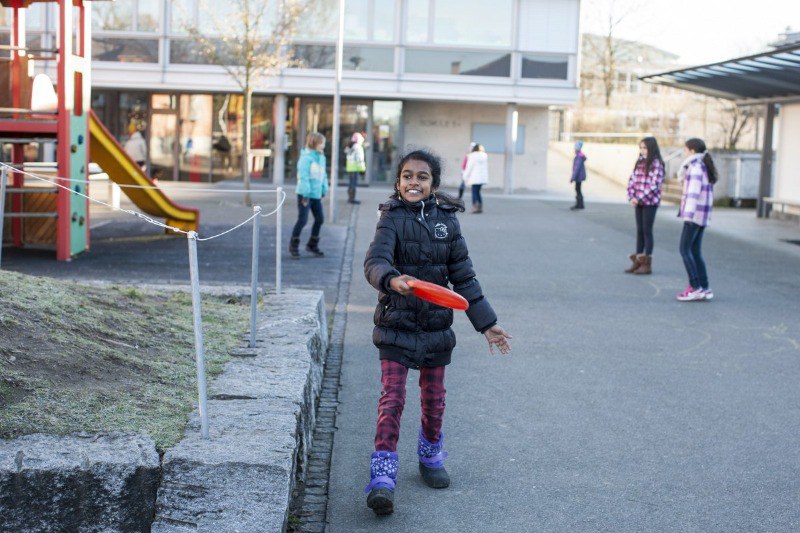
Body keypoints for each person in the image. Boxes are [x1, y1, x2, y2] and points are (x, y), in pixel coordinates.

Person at [363, 149, 513, 515]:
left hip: (435, 327)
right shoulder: (391, 218)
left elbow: (464, 277)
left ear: (434, 183)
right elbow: (375, 261)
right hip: (396, 324)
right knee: (392, 400)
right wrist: (391, 278)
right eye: (407, 176)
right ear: (398, 182)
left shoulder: (448, 221)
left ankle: (430, 456)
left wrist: (488, 324)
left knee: (434, 401)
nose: (414, 182)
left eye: (422, 177)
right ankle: (382, 476)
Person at [676, 137, 717, 301]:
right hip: (703, 215)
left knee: (684, 250)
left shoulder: (695, 167)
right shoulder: (705, 166)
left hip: (694, 215)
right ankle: (705, 287)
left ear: (692, 151)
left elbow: (693, 193)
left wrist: (688, 215)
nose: (684, 152)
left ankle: (695, 287)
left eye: (685, 149)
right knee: (695, 251)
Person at [625, 137, 666, 274]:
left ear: (651, 148)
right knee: (639, 230)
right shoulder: (640, 162)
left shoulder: (657, 164)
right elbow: (632, 180)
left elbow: (654, 185)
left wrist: (639, 197)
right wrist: (631, 197)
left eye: (645, 148)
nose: (642, 151)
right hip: (639, 202)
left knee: (647, 230)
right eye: (641, 148)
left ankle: (647, 263)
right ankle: (638, 260)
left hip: (650, 202)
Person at [289, 132, 329, 259]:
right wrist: (305, 195)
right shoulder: (305, 158)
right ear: (314, 143)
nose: (323, 145)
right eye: (321, 143)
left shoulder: (321, 157)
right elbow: (303, 177)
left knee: (320, 219)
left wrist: (324, 189)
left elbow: (323, 176)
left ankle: (312, 245)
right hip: (305, 194)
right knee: (303, 220)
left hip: (316, 194)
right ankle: (294, 246)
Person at [462, 143, 488, 213]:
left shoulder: (472, 156)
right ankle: (480, 207)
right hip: (482, 178)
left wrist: (465, 176)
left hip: (475, 178)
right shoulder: (484, 156)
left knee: (474, 192)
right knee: (478, 192)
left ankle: (475, 207)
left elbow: (469, 167)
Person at [345, 132, 366, 204]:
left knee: (351, 183)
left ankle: (350, 198)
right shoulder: (358, 147)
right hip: (355, 168)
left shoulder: (350, 146)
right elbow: (360, 159)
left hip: (350, 167)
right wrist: (362, 169)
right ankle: (352, 199)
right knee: (353, 184)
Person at [570, 140, 587, 210]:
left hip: (578, 177)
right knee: (578, 189)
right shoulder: (579, 156)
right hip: (579, 176)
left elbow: (577, 168)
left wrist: (573, 178)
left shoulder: (579, 157)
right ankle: (579, 204)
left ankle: (579, 204)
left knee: (578, 189)